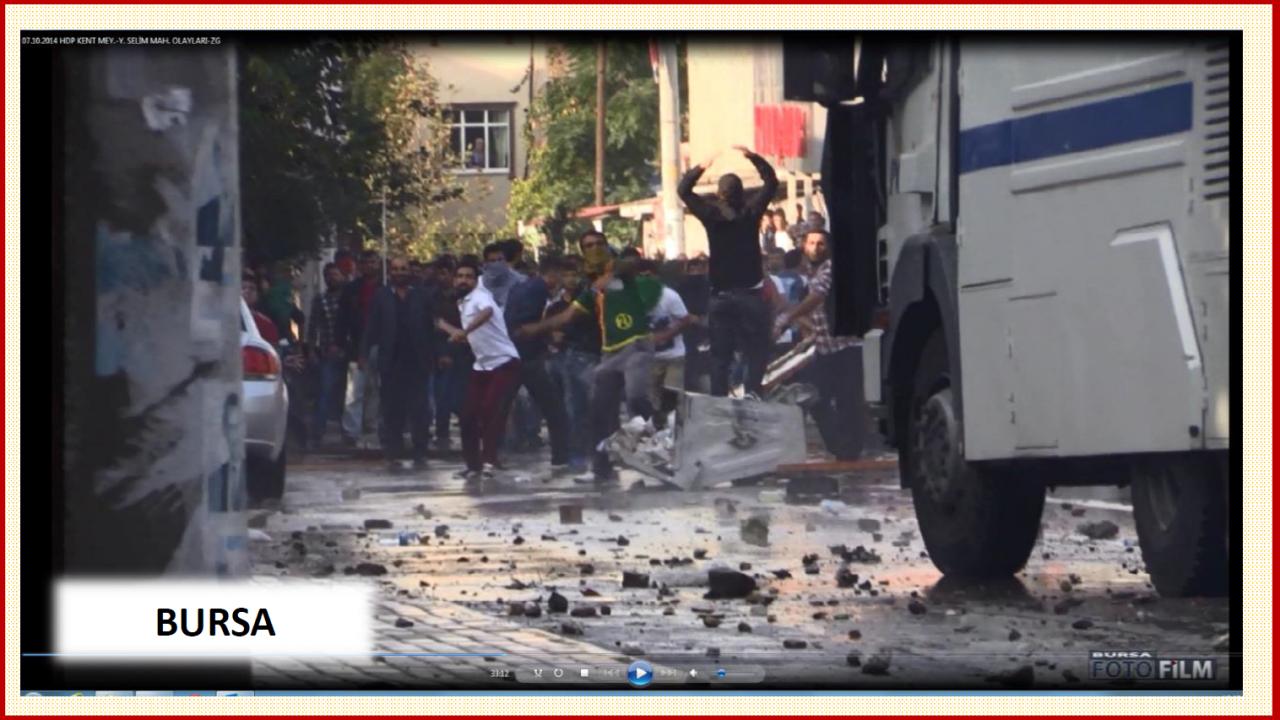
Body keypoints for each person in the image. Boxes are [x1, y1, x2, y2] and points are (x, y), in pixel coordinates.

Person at [519, 232, 662, 482]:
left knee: (636, 398)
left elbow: (632, 264)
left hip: (636, 345)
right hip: (610, 353)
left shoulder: (622, 273)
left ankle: (662, 445)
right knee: (598, 412)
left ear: (607, 246)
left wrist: (612, 269)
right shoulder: (591, 289)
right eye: (588, 246)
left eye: (598, 244)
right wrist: (535, 329)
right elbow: (567, 316)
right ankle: (601, 468)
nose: (594, 248)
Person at [677, 144, 778, 398]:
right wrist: (753, 157)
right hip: (751, 295)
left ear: (719, 194)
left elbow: (683, 190)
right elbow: (771, 183)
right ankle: (752, 393)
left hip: (721, 297)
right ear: (741, 192)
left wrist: (701, 166)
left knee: (720, 356)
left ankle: (719, 400)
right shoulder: (751, 213)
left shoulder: (711, 215)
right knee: (756, 350)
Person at [773, 229, 867, 460]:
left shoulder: (830, 268)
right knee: (817, 396)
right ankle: (841, 446)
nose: (816, 248)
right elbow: (816, 312)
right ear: (804, 247)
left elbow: (818, 297)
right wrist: (808, 332)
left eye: (821, 244)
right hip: (825, 347)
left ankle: (848, 449)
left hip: (844, 346)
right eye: (812, 243)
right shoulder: (812, 273)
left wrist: (788, 317)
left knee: (846, 400)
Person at [439, 258, 522, 481]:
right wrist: (450, 329)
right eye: (460, 276)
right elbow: (469, 335)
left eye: (468, 277)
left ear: (476, 280)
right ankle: (473, 465)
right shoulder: (462, 302)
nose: (463, 280)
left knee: (489, 411)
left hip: (504, 362)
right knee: (467, 414)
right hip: (482, 365)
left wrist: (464, 332)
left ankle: (489, 461)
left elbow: (486, 312)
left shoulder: (480, 296)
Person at [359, 257, 438, 472]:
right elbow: (372, 326)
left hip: (418, 361)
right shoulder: (382, 296)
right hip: (391, 362)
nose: (400, 272)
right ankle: (393, 452)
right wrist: (364, 353)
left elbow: (432, 326)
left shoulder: (422, 296)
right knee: (392, 409)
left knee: (419, 409)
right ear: (390, 272)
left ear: (409, 271)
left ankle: (420, 451)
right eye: (395, 269)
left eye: (403, 269)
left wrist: (437, 354)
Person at [502, 255, 573, 472]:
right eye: (561, 276)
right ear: (553, 274)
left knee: (502, 407)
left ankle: (489, 455)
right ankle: (561, 457)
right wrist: (547, 336)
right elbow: (525, 326)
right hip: (528, 358)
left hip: (513, 356)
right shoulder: (537, 291)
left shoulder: (522, 287)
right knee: (554, 409)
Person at [545, 252, 599, 472]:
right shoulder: (554, 306)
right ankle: (572, 453)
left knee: (587, 407)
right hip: (561, 358)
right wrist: (552, 337)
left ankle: (589, 452)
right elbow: (547, 328)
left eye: (575, 274)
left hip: (588, 357)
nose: (571, 279)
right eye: (566, 274)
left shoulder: (590, 300)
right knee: (567, 408)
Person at [640, 259, 693, 430]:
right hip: (649, 357)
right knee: (652, 399)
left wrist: (665, 335)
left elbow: (685, 320)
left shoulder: (669, 296)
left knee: (672, 394)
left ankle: (674, 430)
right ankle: (657, 430)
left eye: (648, 276)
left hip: (674, 356)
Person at [339, 250, 383, 447]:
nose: (370, 266)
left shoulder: (385, 288)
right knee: (355, 390)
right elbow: (343, 318)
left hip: (381, 344)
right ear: (361, 265)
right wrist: (339, 342)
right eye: (366, 262)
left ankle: (372, 426)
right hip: (356, 345)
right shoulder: (351, 290)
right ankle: (351, 431)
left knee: (377, 389)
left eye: (373, 262)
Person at [430, 256, 470, 452]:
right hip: (443, 351)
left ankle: (467, 434)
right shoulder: (432, 298)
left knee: (463, 395)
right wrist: (441, 353)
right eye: (440, 273)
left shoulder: (464, 297)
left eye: (446, 273)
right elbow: (433, 326)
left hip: (465, 352)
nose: (443, 277)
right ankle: (442, 434)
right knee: (443, 397)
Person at [306, 262, 348, 448]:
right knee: (324, 391)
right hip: (327, 353)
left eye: (335, 274)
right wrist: (311, 350)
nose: (332, 278)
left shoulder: (348, 298)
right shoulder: (320, 299)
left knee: (348, 395)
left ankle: (348, 432)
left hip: (349, 352)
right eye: (329, 275)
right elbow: (313, 326)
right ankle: (318, 432)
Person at [677, 254, 712, 393]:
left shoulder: (709, 286)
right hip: (686, 332)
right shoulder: (682, 287)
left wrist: (704, 320)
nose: (695, 273)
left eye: (699, 269)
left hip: (706, 333)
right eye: (692, 270)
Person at [479, 241, 526, 309]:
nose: (497, 263)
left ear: (505, 260)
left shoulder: (520, 281)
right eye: (493, 261)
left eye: (500, 259)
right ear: (485, 263)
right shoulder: (478, 283)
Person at [242, 270, 280, 344]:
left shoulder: (266, 324)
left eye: (252, 288)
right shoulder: (226, 321)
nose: (247, 291)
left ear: (258, 295)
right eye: (243, 288)